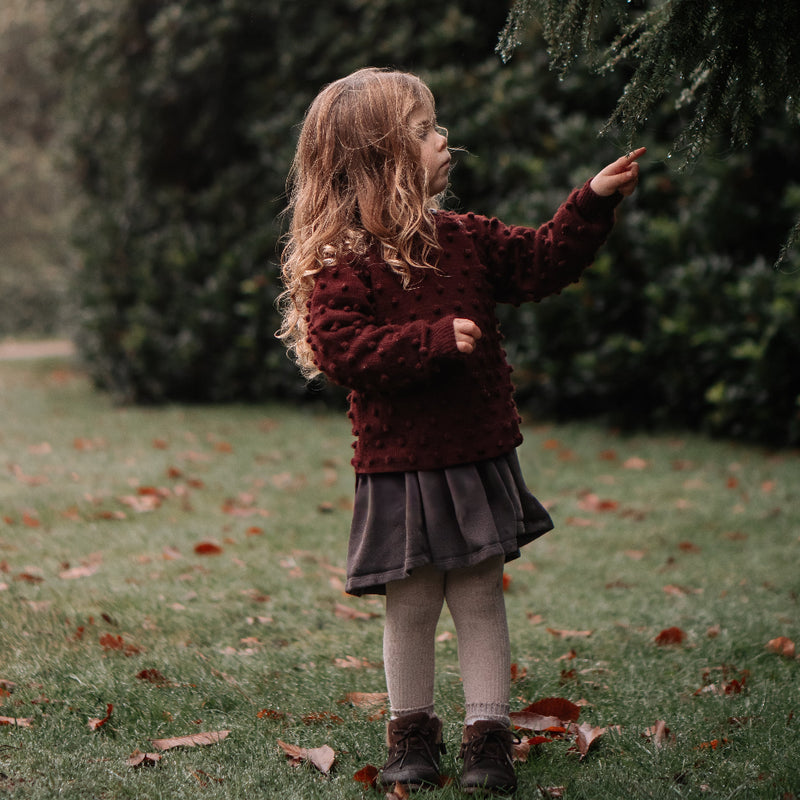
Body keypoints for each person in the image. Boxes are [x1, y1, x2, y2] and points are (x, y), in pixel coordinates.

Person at [278, 67, 643, 794]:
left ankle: (488, 740)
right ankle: (411, 736)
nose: (444, 140)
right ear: (382, 158)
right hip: (399, 463)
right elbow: (342, 350)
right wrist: (433, 342)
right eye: (424, 131)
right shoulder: (344, 264)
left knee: (479, 594)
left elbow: (540, 262)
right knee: (411, 601)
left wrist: (591, 204)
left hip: (475, 453)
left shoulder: (467, 239)